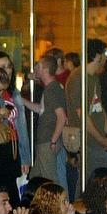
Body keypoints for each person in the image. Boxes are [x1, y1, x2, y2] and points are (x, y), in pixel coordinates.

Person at [0, 52, 32, 204]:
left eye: (9, 66)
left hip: (14, 147)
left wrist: (25, 157)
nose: (8, 70)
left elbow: (22, 126)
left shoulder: (14, 93)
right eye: (2, 67)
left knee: (14, 193)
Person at [66, 39, 107, 179]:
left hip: (97, 141)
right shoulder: (78, 79)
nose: (106, 57)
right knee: (97, 182)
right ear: (97, 56)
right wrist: (101, 139)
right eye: (105, 53)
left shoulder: (94, 77)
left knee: (95, 181)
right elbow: (82, 115)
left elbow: (99, 106)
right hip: (87, 142)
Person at [30, 54, 69, 190]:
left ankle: (57, 209)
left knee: (49, 181)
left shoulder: (51, 89)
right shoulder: (52, 88)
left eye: (38, 66)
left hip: (47, 140)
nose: (36, 68)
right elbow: (41, 109)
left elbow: (62, 117)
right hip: (47, 140)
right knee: (35, 177)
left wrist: (53, 140)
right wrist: (22, 101)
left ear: (44, 69)